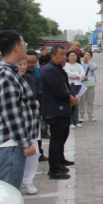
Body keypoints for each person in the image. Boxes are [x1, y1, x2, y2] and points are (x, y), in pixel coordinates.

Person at [0, 31, 38, 189]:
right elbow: (12, 115)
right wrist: (25, 143)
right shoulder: (6, 76)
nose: (25, 48)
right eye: (23, 44)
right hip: (10, 145)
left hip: (12, 145)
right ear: (16, 48)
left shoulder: (9, 73)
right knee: (7, 193)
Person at [42, 45, 77, 179]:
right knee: (56, 140)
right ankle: (54, 169)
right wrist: (70, 98)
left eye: (65, 54)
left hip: (63, 109)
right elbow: (58, 91)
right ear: (53, 56)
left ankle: (60, 161)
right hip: (55, 110)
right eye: (61, 54)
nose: (64, 57)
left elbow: (66, 87)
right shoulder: (50, 70)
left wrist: (72, 96)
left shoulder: (59, 69)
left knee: (63, 136)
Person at [17, 59, 41, 195]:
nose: (22, 66)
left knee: (34, 153)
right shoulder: (10, 81)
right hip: (18, 125)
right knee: (19, 154)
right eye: (19, 64)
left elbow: (38, 93)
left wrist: (37, 100)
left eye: (24, 64)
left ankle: (28, 181)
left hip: (32, 122)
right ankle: (18, 181)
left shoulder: (29, 79)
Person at [64, 51, 85, 129]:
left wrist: (78, 76)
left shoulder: (79, 65)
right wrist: (77, 75)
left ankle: (76, 121)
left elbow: (83, 73)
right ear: (68, 57)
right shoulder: (66, 65)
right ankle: (71, 121)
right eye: (72, 55)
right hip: (70, 85)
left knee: (77, 103)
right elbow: (68, 74)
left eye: (75, 55)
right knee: (71, 103)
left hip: (78, 85)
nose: (73, 57)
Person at [80, 51, 98, 122]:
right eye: (85, 54)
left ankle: (90, 114)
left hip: (90, 84)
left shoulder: (92, 64)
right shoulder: (80, 64)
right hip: (82, 84)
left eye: (88, 55)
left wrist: (88, 62)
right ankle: (81, 115)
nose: (86, 56)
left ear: (91, 57)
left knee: (90, 100)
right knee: (82, 100)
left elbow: (93, 68)